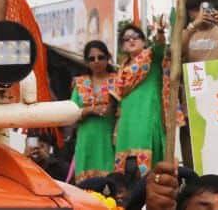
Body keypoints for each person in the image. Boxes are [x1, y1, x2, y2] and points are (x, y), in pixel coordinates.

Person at [113, 21, 168, 175]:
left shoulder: (151, 57)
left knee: (148, 165)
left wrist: (160, 33)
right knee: (125, 168)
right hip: (126, 124)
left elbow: (159, 47)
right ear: (123, 46)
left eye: (135, 37)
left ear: (144, 41)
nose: (131, 40)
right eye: (126, 38)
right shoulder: (121, 71)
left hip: (147, 117)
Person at [72, 40, 119, 182]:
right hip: (86, 141)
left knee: (109, 184)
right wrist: (91, 110)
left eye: (101, 57)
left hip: (109, 140)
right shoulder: (80, 83)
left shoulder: (118, 81)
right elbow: (72, 113)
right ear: (87, 62)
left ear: (108, 58)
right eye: (92, 59)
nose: (96, 61)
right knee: (85, 187)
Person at [182, 0, 218, 64]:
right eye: (197, 10)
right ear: (190, 13)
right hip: (195, 71)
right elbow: (176, 53)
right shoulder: (187, 33)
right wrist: (193, 25)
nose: (202, 13)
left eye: (205, 9)